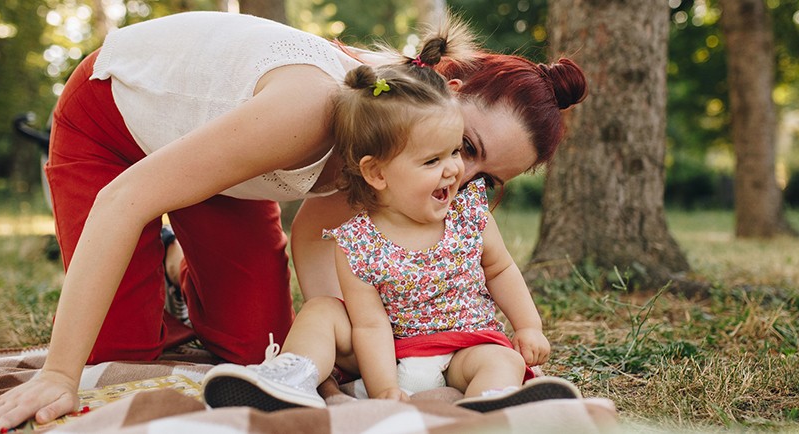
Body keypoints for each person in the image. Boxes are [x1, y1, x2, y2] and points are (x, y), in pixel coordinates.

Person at [0, 10, 586, 434]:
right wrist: (59, 375)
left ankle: (174, 260)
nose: (460, 180)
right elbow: (122, 199)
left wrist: (352, 337)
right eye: (467, 148)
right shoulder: (314, 108)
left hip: (225, 165)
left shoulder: (388, 148)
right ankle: (165, 251)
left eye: (486, 179)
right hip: (114, 129)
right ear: (443, 88)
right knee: (119, 358)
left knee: (258, 344)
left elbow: (318, 234)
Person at [202, 54, 583, 413]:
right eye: (438, 157)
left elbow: (500, 271)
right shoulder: (356, 241)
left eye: (455, 152)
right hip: (387, 351)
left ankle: (491, 403)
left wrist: (528, 326)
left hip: (463, 344)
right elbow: (369, 323)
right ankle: (291, 379)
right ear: (378, 174)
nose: (458, 172)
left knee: (501, 359)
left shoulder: (469, 214)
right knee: (321, 312)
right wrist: (384, 387)